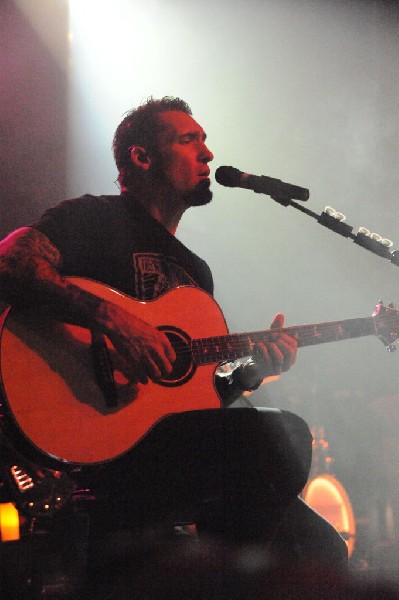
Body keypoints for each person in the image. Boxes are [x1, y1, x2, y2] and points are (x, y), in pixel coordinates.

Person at [0, 97, 347, 592]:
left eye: (205, 141)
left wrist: (253, 368)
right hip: (91, 439)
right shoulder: (93, 218)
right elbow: (10, 262)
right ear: (142, 157)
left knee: (322, 550)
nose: (207, 155)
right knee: (277, 438)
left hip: (163, 443)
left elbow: (191, 390)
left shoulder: (195, 272)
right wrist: (114, 319)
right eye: (189, 140)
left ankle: (213, 572)